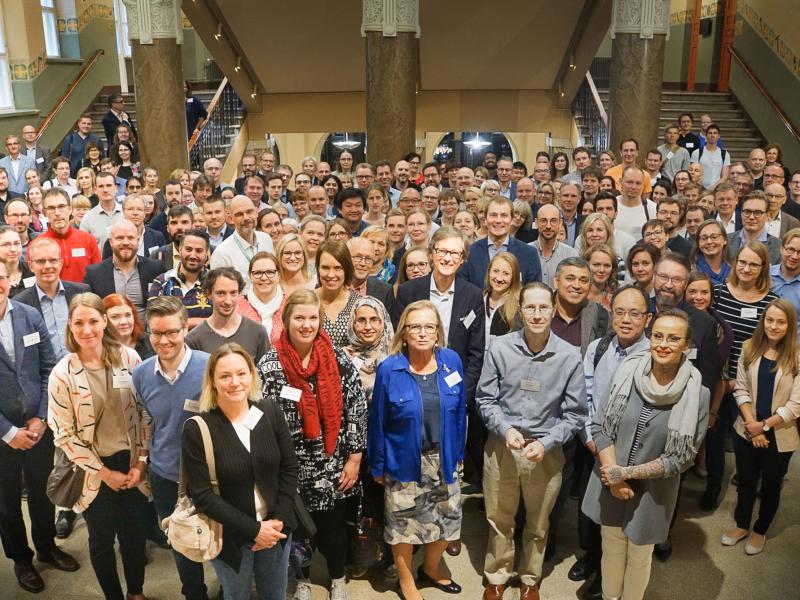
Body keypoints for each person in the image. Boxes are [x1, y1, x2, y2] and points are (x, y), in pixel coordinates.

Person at [582, 309, 709, 600]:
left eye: (673, 338)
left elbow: (681, 457)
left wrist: (625, 474)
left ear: (686, 346)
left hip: (653, 491)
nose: (663, 344)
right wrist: (613, 476)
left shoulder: (697, 394)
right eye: (658, 336)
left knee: (639, 556)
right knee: (611, 546)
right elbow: (601, 426)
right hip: (609, 479)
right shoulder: (626, 371)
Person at [477, 282, 587, 600]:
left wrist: (548, 441)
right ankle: (497, 574)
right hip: (503, 445)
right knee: (499, 518)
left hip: (545, 450)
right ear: (520, 310)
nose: (537, 314)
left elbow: (575, 413)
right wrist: (503, 428)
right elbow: (485, 398)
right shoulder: (499, 348)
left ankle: (530, 578)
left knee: (538, 523)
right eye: (530, 307)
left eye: (543, 308)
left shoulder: (568, 357)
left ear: (553, 311)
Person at [257, 290, 367, 600]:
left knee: (332, 530)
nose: (307, 324)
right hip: (287, 468)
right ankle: (301, 578)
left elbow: (356, 408)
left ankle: (337, 577)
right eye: (300, 317)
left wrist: (355, 458)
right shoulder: (270, 364)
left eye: (313, 318)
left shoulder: (337, 358)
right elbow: (260, 416)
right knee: (297, 531)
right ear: (286, 320)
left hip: (332, 463)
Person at [47, 293, 149, 600]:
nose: (87, 329)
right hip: (92, 469)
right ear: (70, 326)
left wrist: (141, 462)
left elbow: (145, 412)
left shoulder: (129, 358)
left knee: (134, 534)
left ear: (105, 322)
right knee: (102, 539)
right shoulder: (62, 375)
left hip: (130, 462)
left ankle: (135, 592)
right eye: (79, 323)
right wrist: (104, 473)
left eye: (94, 321)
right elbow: (64, 435)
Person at [183, 343, 297, 600]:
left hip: (276, 529)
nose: (235, 382)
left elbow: (289, 467)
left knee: (275, 595)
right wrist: (255, 530)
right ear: (212, 381)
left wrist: (276, 521)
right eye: (225, 376)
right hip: (230, 537)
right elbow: (202, 495)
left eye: (241, 373)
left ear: (252, 375)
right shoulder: (198, 428)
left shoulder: (269, 411)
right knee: (236, 595)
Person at [369, 300, 466, 600]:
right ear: (404, 332)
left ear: (438, 331)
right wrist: (378, 465)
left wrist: (459, 455)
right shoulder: (389, 369)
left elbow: (461, 411)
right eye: (415, 327)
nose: (422, 333)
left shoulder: (452, 361)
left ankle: (432, 568)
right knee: (404, 525)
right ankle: (407, 579)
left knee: (447, 521)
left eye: (429, 326)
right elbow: (378, 422)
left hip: (445, 458)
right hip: (404, 461)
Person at [0, 260, 79, 594]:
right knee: (6, 501)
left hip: (37, 425)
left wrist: (42, 416)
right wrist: (7, 432)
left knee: (43, 491)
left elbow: (49, 365)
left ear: (9, 279)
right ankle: (21, 559)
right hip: (2, 432)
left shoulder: (28, 315)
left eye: (0, 277)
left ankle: (46, 546)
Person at [571, 285, 652, 597]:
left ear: (647, 318)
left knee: (624, 520)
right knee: (594, 514)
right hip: (595, 446)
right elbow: (584, 396)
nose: (626, 319)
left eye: (634, 313)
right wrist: (592, 441)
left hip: (635, 455)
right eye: (619, 312)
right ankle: (594, 560)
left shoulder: (652, 355)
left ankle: (613, 580)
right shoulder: (599, 348)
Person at [131, 297, 211, 599]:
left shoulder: (209, 366)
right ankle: (194, 593)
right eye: (156, 333)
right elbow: (145, 422)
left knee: (219, 538)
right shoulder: (141, 374)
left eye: (172, 332)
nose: (164, 341)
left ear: (185, 328)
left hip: (207, 474)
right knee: (180, 542)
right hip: (165, 475)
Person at [705, 242, 780, 510]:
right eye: (742, 262)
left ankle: (750, 483)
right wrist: (722, 378)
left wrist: (741, 380)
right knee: (715, 436)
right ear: (735, 263)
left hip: (751, 382)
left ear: (763, 268)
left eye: (754, 264)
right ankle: (713, 485)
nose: (747, 268)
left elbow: (770, 343)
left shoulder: (771, 301)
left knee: (748, 437)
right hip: (718, 379)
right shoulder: (719, 293)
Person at [723, 299, 800, 555]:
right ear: (762, 321)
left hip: (780, 433)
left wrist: (763, 427)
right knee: (745, 480)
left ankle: (759, 529)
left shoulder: (797, 356)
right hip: (746, 428)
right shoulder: (749, 348)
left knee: (770, 485)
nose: (774, 326)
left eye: (780, 321)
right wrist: (751, 425)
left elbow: (795, 405)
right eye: (770, 320)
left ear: (790, 325)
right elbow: (741, 388)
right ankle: (742, 525)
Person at [82, 219, 164, 321]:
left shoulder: (155, 269)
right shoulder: (94, 274)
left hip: (146, 335)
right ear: (111, 242)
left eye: (130, 238)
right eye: (120, 238)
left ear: (137, 241)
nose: (126, 242)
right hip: (110, 335)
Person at [186, 267, 269, 364]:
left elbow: (266, 376)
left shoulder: (258, 332)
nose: (228, 301)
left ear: (240, 294)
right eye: (221, 293)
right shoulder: (194, 339)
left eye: (233, 293)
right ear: (208, 294)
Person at [460, 197, 542, 288]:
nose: (498, 220)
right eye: (493, 215)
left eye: (504, 215)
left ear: (511, 219)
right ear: (485, 220)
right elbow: (463, 291)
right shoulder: (469, 253)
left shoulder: (529, 254)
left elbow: (534, 292)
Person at [148, 228, 212, 330]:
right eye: (188, 249)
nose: (193, 255)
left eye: (199, 251)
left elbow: (222, 322)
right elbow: (153, 322)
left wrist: (176, 322)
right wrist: (204, 321)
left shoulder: (215, 283)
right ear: (180, 250)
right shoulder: (162, 282)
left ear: (206, 254)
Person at [210, 195, 275, 286]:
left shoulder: (266, 239)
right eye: (239, 214)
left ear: (256, 212)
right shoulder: (222, 253)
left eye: (249, 212)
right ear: (230, 218)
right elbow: (220, 291)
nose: (246, 218)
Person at [39, 188, 101, 282]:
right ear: (44, 212)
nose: (57, 213)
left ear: (70, 209)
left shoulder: (88, 240)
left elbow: (98, 278)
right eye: (51, 208)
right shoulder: (37, 245)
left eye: (61, 206)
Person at [315, 241, 360, 347]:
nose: (331, 274)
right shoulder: (306, 301)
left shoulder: (359, 304)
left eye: (337, 268)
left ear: (346, 270)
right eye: (325, 267)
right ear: (318, 269)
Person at [235, 251, 285, 345]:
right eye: (258, 273)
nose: (264, 278)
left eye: (270, 272)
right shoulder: (236, 306)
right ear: (250, 276)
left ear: (278, 275)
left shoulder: (290, 305)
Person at [530, 203, 578, 287]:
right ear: (536, 223)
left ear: (560, 223)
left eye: (553, 221)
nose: (548, 226)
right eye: (543, 220)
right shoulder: (525, 252)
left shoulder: (571, 255)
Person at [484, 252, 522, 346]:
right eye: (495, 271)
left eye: (506, 274)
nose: (499, 278)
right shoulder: (477, 299)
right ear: (489, 272)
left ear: (513, 277)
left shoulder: (519, 306)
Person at [770, 228, 800, 314]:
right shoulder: (765, 275)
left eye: (799, 252)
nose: (794, 256)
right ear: (781, 249)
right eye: (790, 249)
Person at [693, 219, 731, 286]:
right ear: (698, 243)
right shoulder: (691, 270)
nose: (709, 242)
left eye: (714, 237)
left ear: (725, 240)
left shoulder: (735, 270)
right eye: (704, 238)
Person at [276, 233, 314, 297]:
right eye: (287, 253)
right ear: (279, 255)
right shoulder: (273, 286)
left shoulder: (315, 284)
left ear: (304, 255)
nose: (293, 258)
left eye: (298, 253)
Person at [584, 243, 618, 311]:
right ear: (586, 265)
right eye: (596, 264)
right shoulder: (577, 294)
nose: (602, 270)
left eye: (607, 265)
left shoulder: (616, 299)